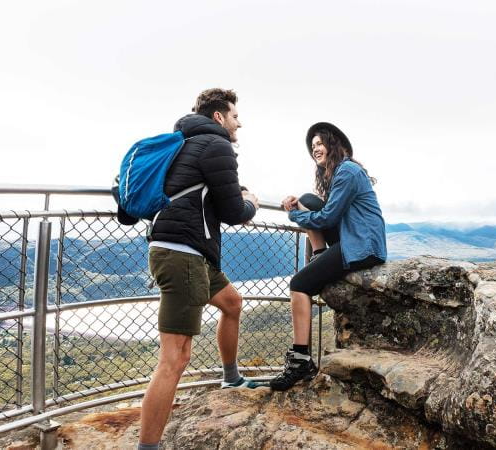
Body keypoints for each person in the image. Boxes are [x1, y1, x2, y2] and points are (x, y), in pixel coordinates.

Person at [135, 88, 260, 450]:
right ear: (219, 117)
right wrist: (250, 202)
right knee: (175, 358)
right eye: (235, 115)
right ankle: (148, 447)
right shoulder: (216, 145)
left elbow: (208, 199)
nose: (240, 122)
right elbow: (235, 212)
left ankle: (231, 378)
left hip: (191, 252)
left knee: (232, 304)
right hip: (183, 254)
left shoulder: (184, 144)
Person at [270, 122, 387, 391]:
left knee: (299, 284)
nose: (316, 150)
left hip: (361, 246)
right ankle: (321, 254)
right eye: (313, 147)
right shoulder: (340, 173)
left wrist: (294, 214)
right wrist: (298, 203)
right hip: (355, 239)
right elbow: (321, 209)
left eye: (320, 144)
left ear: (334, 145)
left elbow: (329, 217)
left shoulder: (347, 171)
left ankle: (300, 361)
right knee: (309, 199)